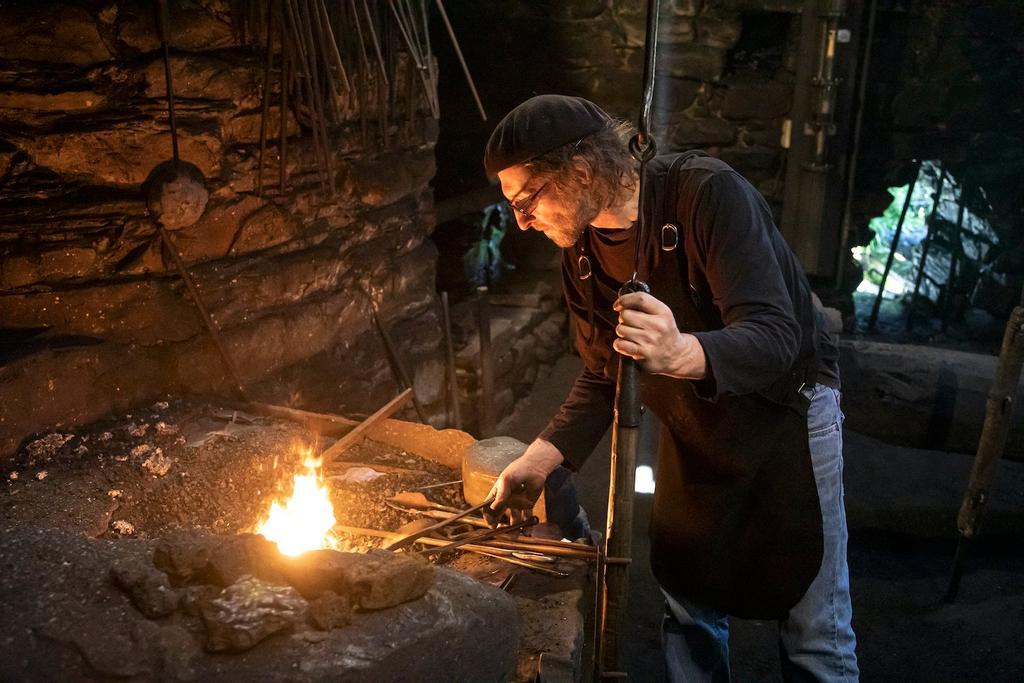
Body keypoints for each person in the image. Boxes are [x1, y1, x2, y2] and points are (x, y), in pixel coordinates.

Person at [483, 95, 858, 682]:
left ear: (580, 172)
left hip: (785, 412)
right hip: (694, 421)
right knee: (689, 602)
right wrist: (540, 458)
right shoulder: (580, 246)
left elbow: (775, 335)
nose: (523, 221)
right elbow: (607, 367)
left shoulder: (707, 194)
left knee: (813, 624)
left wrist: (682, 351)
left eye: (528, 199)